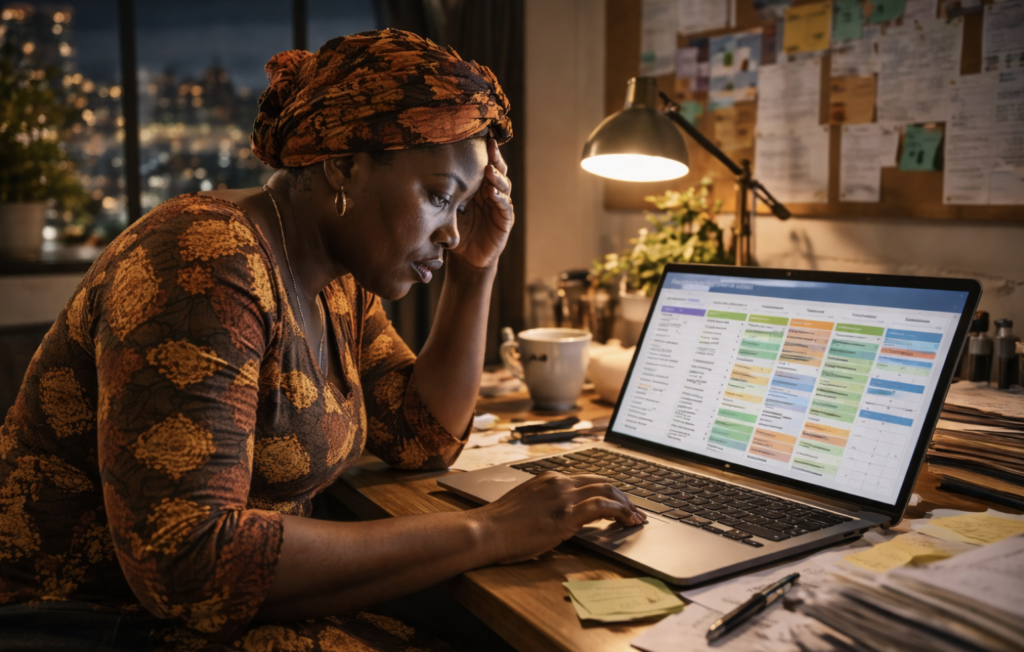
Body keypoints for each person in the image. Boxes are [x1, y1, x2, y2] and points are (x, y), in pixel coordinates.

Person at [0, 28, 644, 651]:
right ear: (343, 165)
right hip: (82, 620)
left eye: (464, 207)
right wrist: (489, 530)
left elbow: (420, 434)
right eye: (439, 197)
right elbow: (190, 565)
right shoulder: (206, 258)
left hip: (214, 614)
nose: (452, 232)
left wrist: (477, 271)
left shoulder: (338, 281)